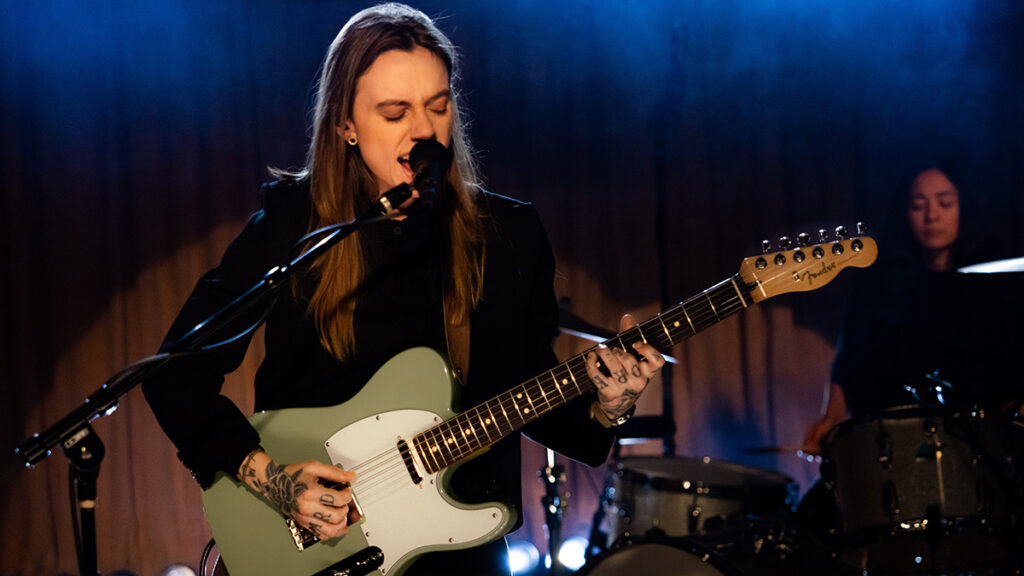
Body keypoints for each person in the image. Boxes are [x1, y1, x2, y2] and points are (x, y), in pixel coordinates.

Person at [142, 4, 664, 575]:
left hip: (461, 554)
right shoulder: (296, 225)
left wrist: (610, 407)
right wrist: (271, 479)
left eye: (437, 108)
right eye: (395, 113)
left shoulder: (506, 234)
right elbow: (176, 373)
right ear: (345, 124)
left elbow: (523, 394)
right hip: (321, 550)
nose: (422, 132)